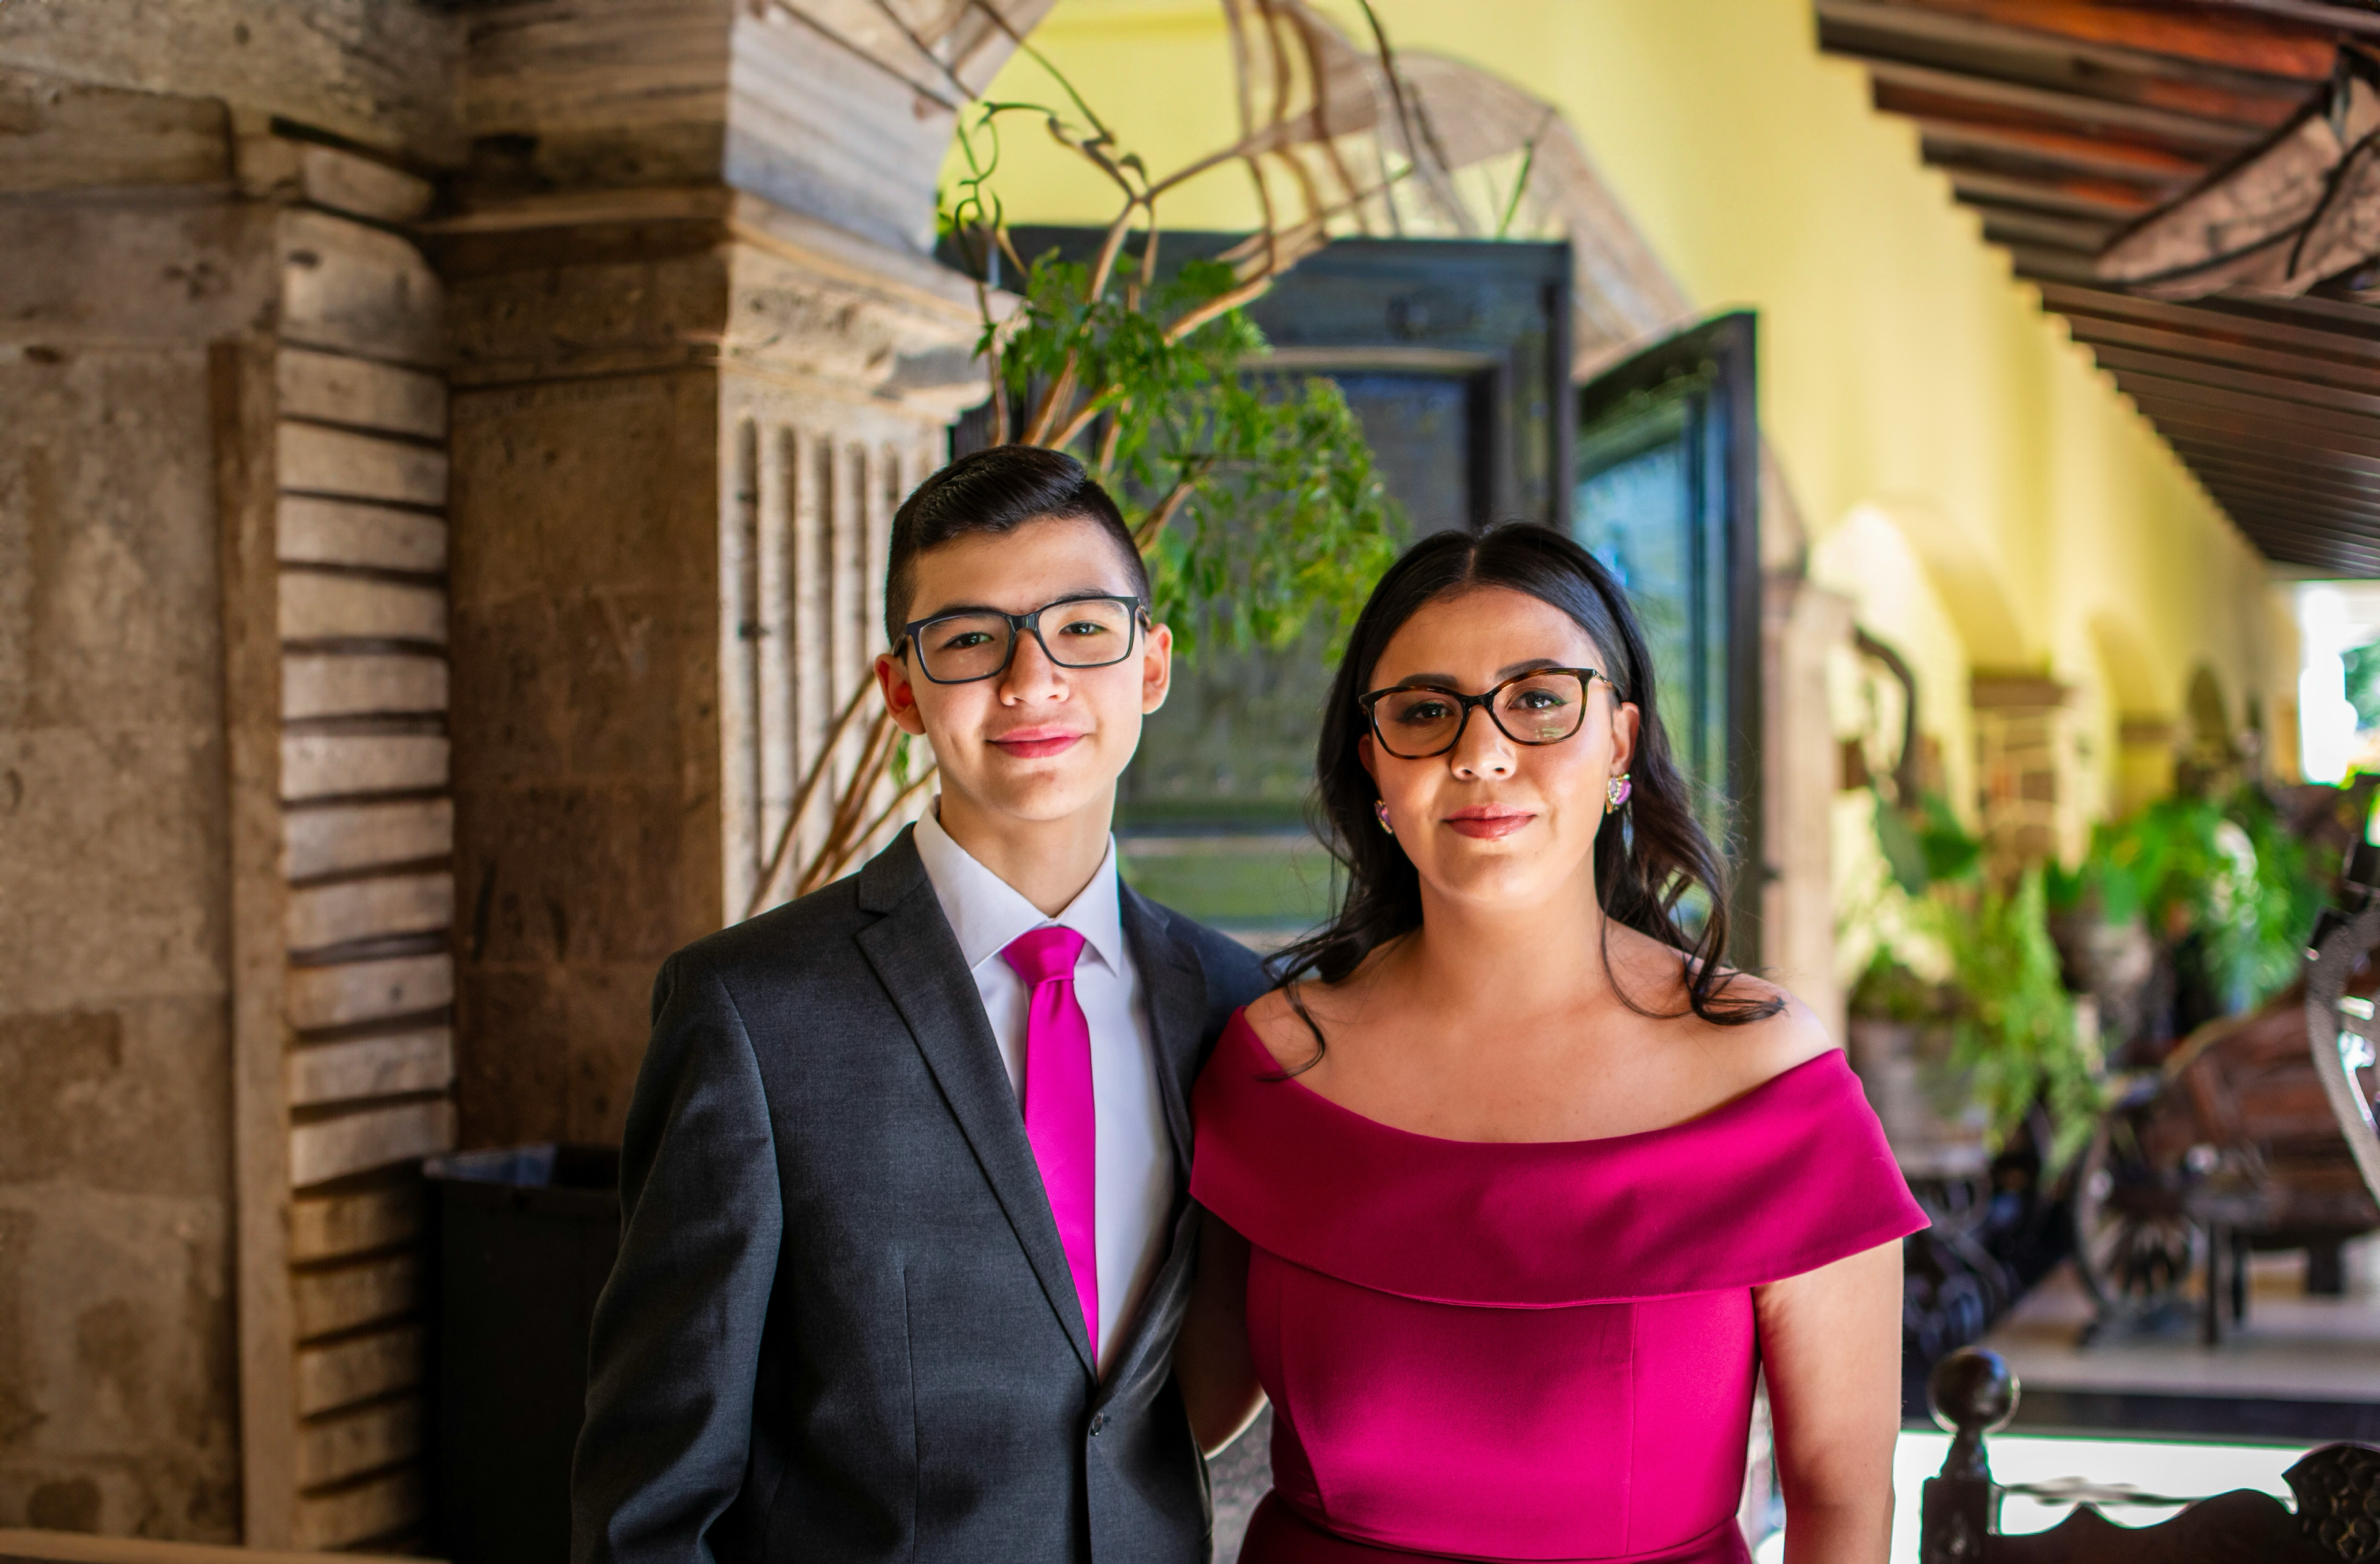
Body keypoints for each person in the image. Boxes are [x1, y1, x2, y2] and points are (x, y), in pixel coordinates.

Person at [1174, 524, 1926, 1564]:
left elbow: (1844, 1511)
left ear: (1619, 742)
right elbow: (1168, 1419)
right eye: (1426, 712)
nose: (1479, 752)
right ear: (1376, 768)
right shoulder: (1276, 1062)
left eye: (1536, 700)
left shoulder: (1770, 1082)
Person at [572, 445, 1269, 1564]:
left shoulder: (1241, 1008)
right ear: (902, 689)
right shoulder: (748, 1013)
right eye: (969, 640)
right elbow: (648, 1498)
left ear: (1151, 663)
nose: (1031, 681)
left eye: (1082, 628)